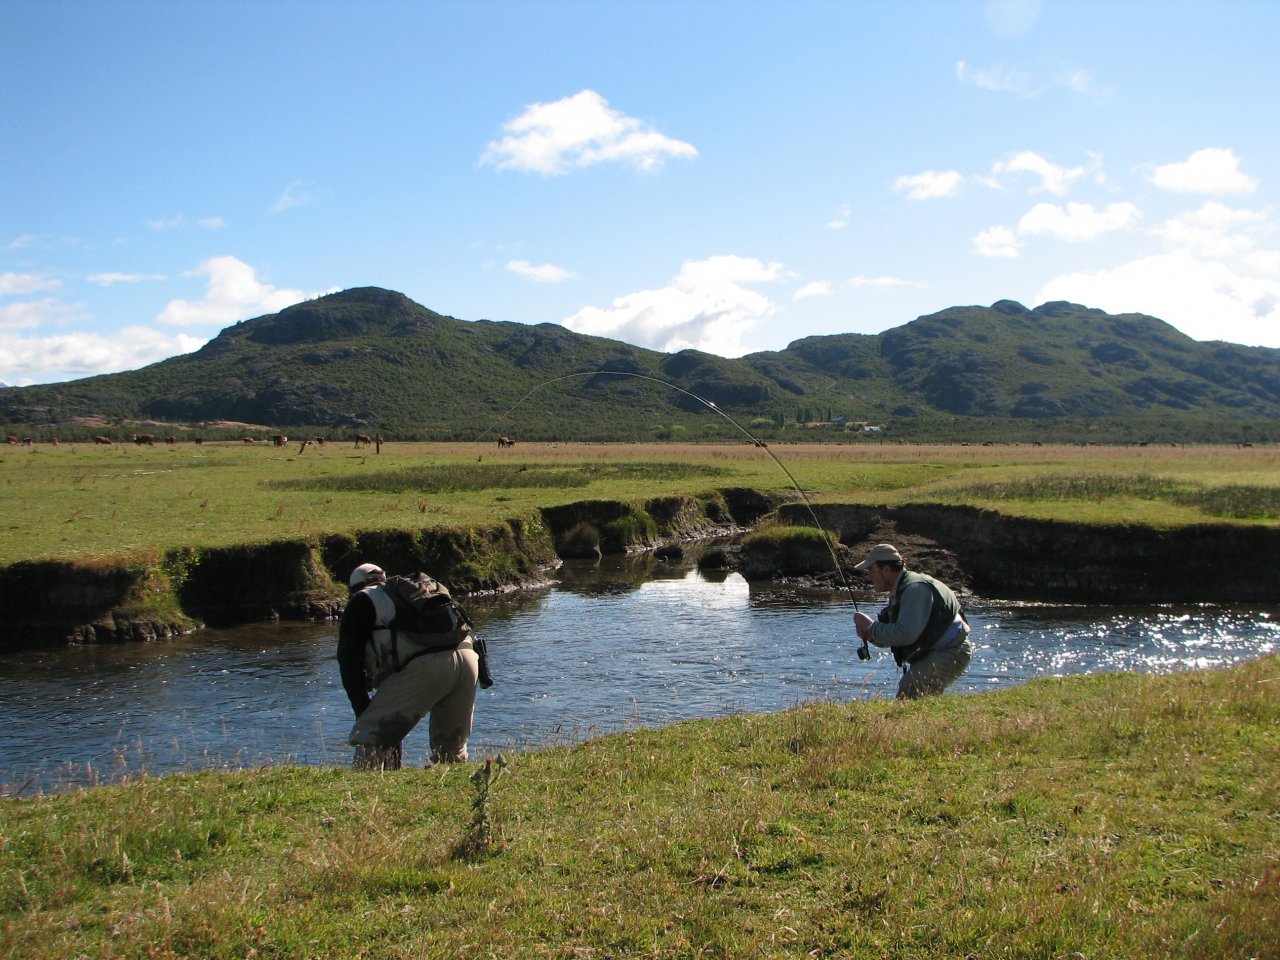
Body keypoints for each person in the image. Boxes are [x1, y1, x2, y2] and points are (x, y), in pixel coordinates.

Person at [336, 563, 480, 769]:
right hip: (468, 659)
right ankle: (453, 788)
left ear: (353, 588)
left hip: (426, 666)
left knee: (372, 740)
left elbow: (348, 660)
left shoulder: (362, 600)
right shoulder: (414, 592)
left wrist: (362, 708)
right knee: (451, 748)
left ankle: (368, 791)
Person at [852, 543, 972, 699]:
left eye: (871, 570)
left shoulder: (915, 589)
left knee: (910, 689)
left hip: (952, 650)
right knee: (911, 692)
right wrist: (870, 635)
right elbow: (896, 635)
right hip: (940, 650)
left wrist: (871, 627)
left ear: (886, 570)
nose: (869, 576)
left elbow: (906, 634)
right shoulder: (902, 589)